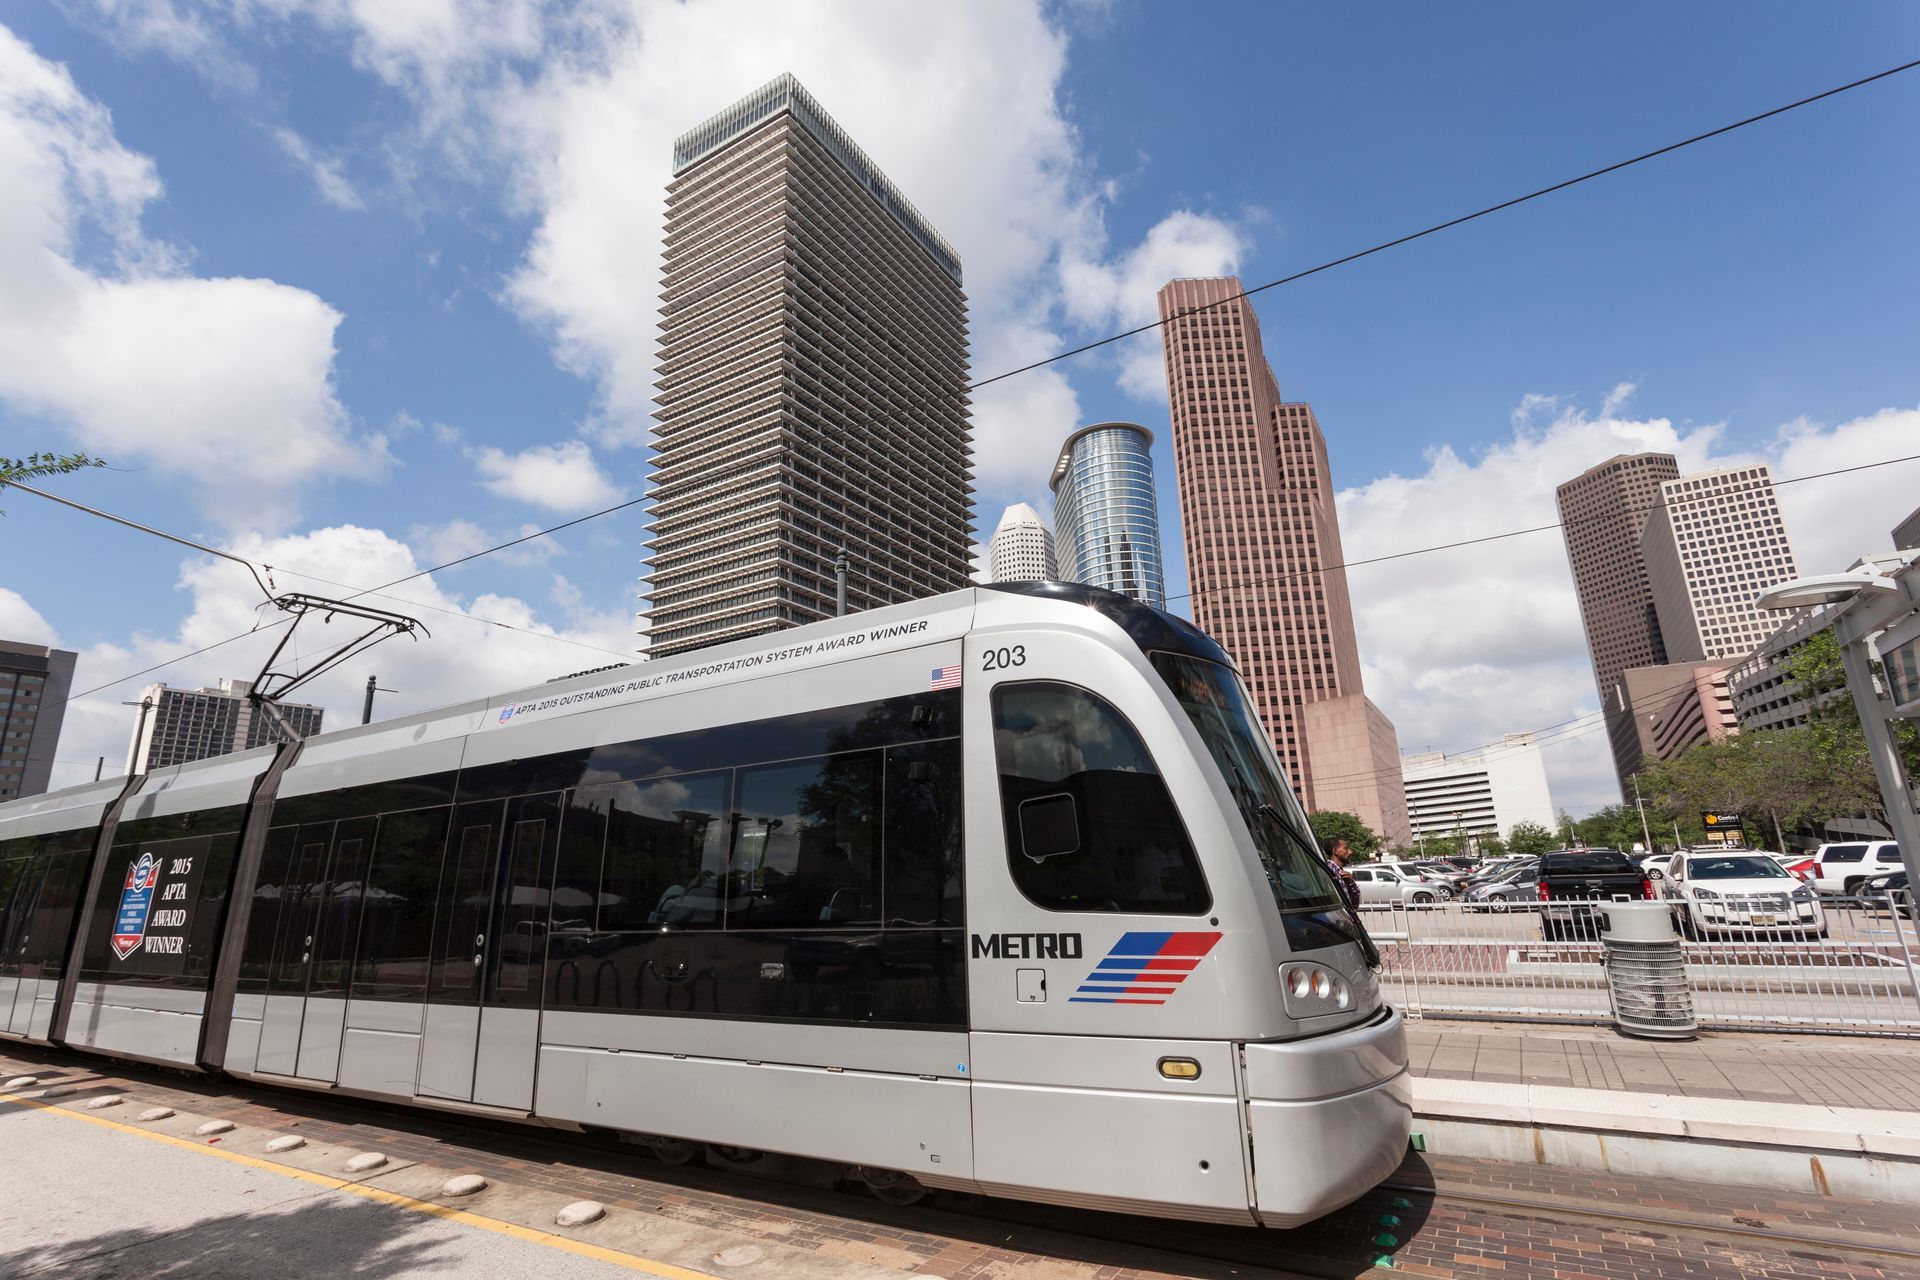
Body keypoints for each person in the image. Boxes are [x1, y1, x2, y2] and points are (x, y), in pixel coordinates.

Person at [1322, 837, 1362, 916]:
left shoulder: (1341, 872)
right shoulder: (1329, 871)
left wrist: (1351, 882)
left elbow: (1354, 905)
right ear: (1335, 851)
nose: (1350, 852)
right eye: (1346, 849)